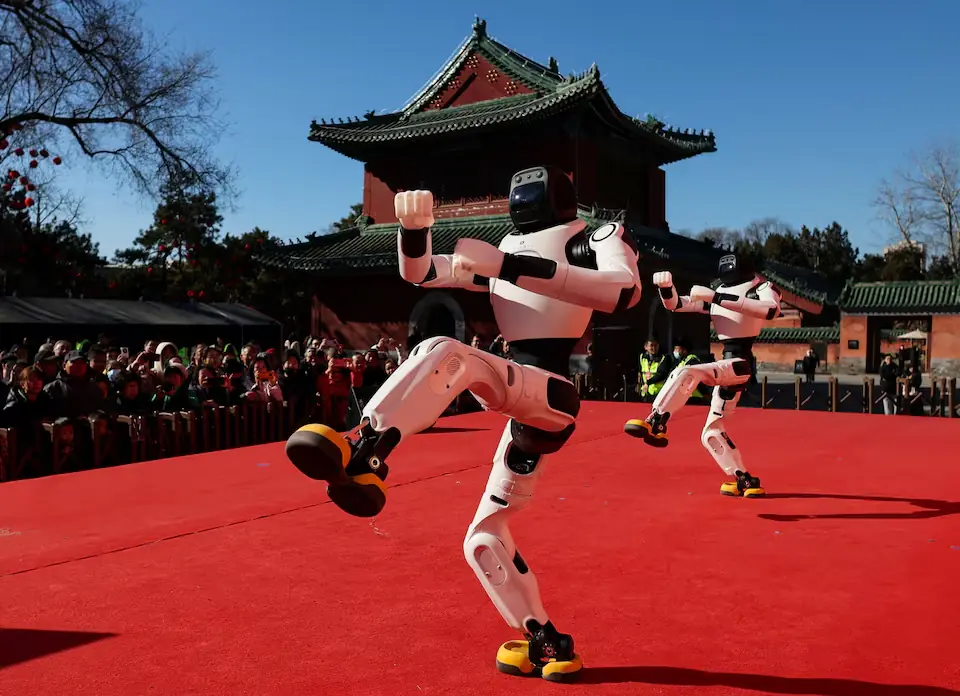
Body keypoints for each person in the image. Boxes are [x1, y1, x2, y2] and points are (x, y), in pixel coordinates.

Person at [285, 165, 643, 682]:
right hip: (525, 405)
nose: (522, 197)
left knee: (447, 352)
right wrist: (414, 232)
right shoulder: (508, 249)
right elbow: (423, 274)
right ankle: (546, 640)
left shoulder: (591, 238)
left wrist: (510, 266)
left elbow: (623, 290)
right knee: (483, 538)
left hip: (553, 391)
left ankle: (365, 447)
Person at [624, 256, 782, 498]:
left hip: (740, 363)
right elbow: (678, 304)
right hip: (728, 364)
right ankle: (745, 480)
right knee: (711, 432)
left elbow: (771, 309)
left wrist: (716, 297)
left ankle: (657, 420)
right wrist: (666, 288)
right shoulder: (719, 290)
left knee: (687, 371)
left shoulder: (759, 287)